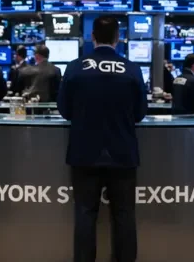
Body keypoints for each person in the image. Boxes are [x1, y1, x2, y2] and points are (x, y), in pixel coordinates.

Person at [58, 15, 147, 262]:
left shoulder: (75, 68)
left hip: (84, 152)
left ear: (92, 37)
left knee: (85, 214)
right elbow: (140, 113)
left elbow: (64, 110)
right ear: (118, 38)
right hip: (123, 152)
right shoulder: (132, 69)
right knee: (124, 215)